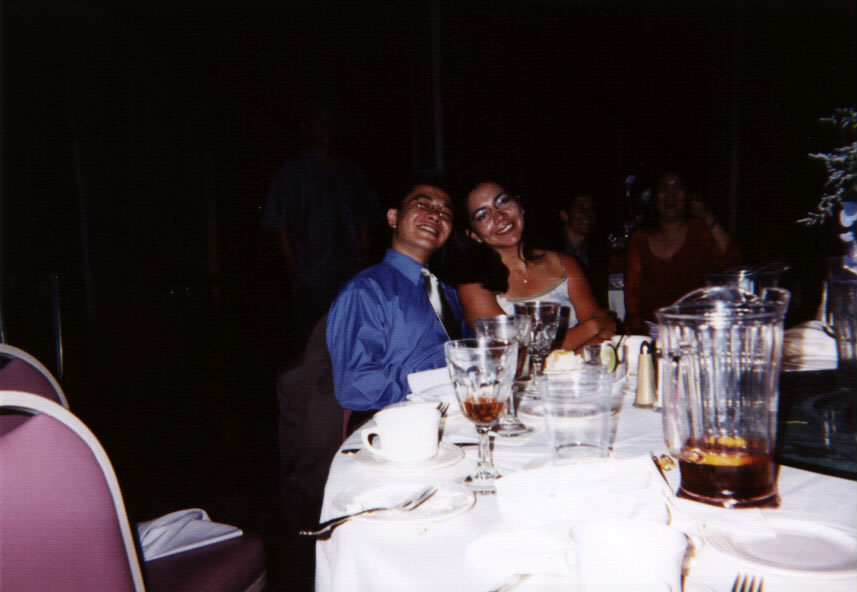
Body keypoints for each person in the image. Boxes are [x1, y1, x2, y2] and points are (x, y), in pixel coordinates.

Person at [326, 176, 468, 430]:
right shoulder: (366, 290)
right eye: (423, 204)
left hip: (454, 417)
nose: (435, 215)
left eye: (445, 212)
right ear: (393, 218)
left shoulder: (449, 293)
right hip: (392, 424)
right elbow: (356, 386)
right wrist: (434, 386)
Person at [261, 101, 379, 350]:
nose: (326, 129)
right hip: (312, 275)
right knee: (314, 342)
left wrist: (363, 263)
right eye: (319, 123)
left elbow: (365, 219)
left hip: (350, 271)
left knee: (353, 336)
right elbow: (279, 225)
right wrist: (298, 270)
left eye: (330, 123)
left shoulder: (350, 171)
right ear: (306, 128)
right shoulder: (291, 173)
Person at [456, 180, 615, 351]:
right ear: (473, 234)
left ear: (520, 205)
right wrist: (592, 326)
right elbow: (517, 352)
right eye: (482, 215)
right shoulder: (473, 285)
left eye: (502, 201)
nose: (499, 216)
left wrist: (593, 330)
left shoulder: (565, 263)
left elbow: (604, 334)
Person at [624, 170, 741, 333]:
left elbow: (731, 259)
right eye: (663, 187)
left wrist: (706, 215)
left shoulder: (700, 231)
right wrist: (640, 331)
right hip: (652, 330)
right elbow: (632, 296)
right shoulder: (640, 240)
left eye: (677, 187)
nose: (670, 194)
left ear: (687, 195)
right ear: (654, 196)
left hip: (697, 328)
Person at [559, 192, 609, 307]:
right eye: (580, 209)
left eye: (591, 209)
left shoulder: (597, 252)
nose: (587, 214)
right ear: (564, 215)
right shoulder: (553, 252)